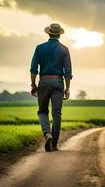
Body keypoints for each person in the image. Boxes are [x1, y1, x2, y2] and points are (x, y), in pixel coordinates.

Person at [30, 23, 72, 152]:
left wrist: (33, 84)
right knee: (57, 114)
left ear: (48, 33)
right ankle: (54, 144)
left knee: (42, 111)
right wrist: (67, 88)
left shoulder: (39, 48)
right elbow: (68, 72)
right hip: (58, 82)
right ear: (59, 34)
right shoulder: (64, 49)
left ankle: (47, 134)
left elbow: (33, 69)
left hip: (44, 81)